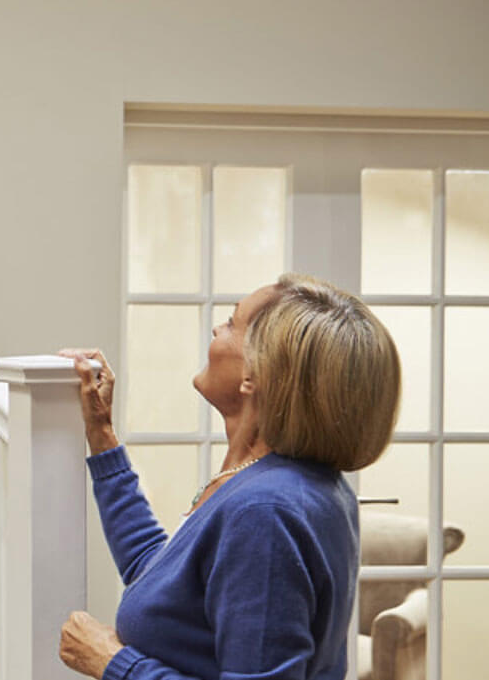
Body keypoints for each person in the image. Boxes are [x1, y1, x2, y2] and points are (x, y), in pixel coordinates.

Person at [57, 274, 401, 679]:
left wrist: (112, 662)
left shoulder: (265, 512)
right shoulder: (278, 483)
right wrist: (102, 435)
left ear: (256, 373)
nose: (217, 329)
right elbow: (158, 581)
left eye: (232, 324)